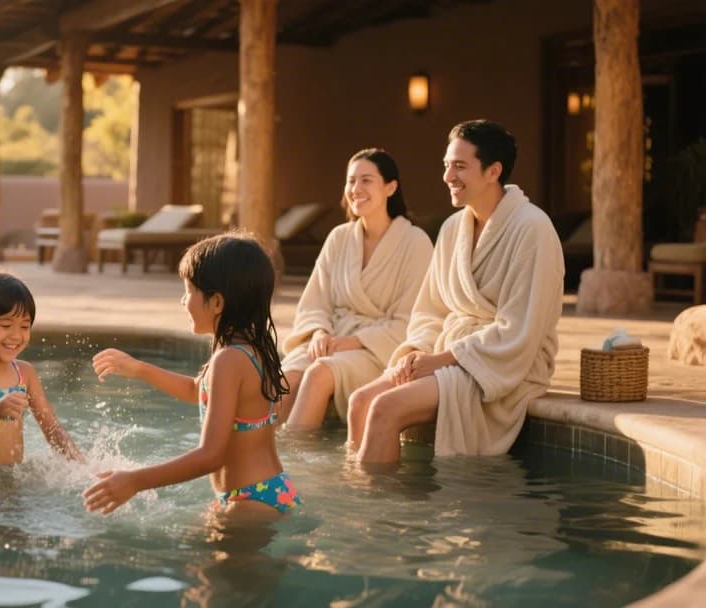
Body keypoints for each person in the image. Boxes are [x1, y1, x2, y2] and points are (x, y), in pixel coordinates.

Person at [346, 120, 564, 463]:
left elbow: (520, 330)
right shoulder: (452, 229)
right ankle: (355, 491)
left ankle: (379, 499)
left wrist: (442, 360)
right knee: (360, 402)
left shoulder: (532, 228)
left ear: (493, 171)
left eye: (460, 166)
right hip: (450, 354)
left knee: (385, 408)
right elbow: (430, 310)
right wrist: (416, 352)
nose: (448, 176)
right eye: (447, 165)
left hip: (501, 364)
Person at [84, 234, 300, 516]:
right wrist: (139, 369)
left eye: (189, 291)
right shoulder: (248, 349)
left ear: (217, 302)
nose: (183, 300)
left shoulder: (229, 360)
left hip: (250, 501)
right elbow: (197, 390)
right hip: (266, 491)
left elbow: (211, 456)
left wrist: (135, 481)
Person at [281, 148, 433, 429]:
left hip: (380, 350)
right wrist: (318, 332)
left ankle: (298, 454)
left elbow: (413, 320)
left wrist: (354, 341)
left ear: (390, 187)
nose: (356, 189)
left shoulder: (416, 242)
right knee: (286, 380)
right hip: (332, 339)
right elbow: (314, 303)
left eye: (366, 180)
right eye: (351, 181)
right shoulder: (339, 238)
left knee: (319, 373)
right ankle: (261, 448)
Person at [0, 271, 83, 466]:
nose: (16, 335)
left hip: (13, 478)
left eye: (24, 327)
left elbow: (52, 429)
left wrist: (84, 470)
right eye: (6, 325)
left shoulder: (25, 374)